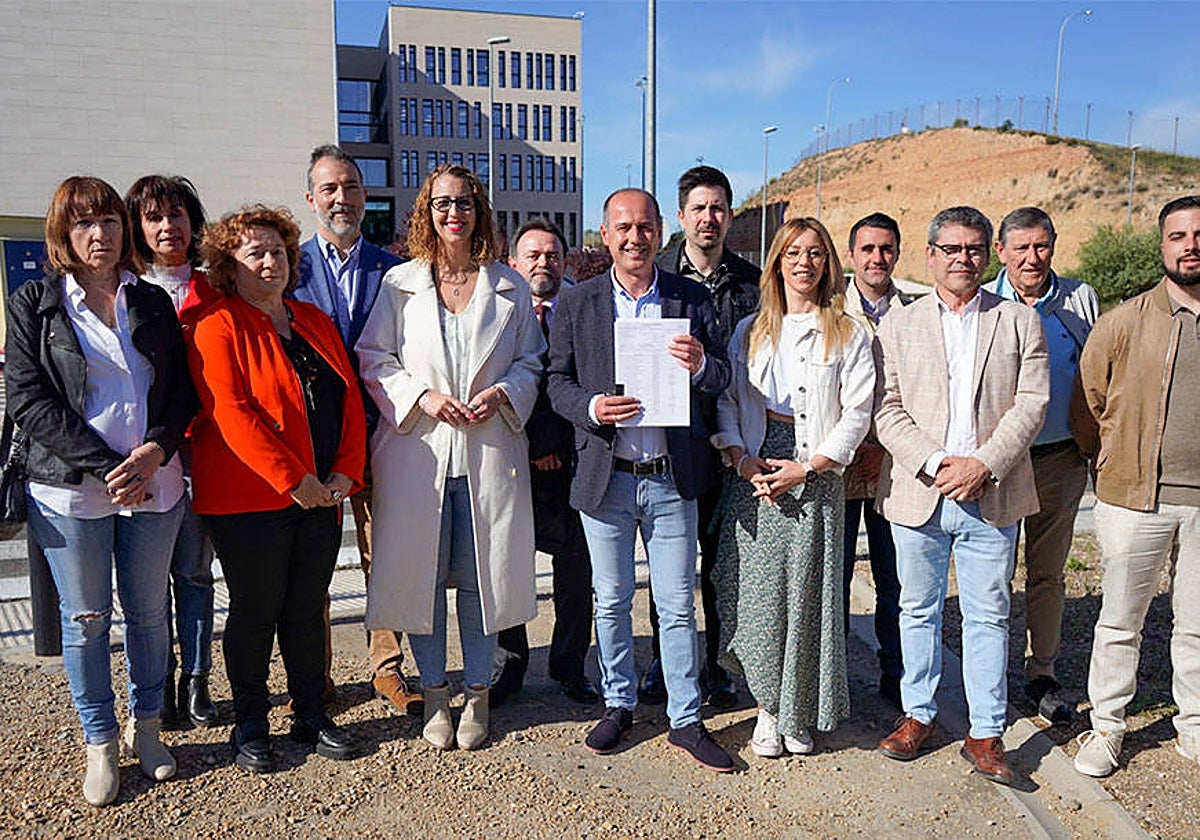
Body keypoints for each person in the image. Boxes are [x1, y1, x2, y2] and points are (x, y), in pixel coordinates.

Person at [6, 176, 197, 805]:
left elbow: (181, 392)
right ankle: (100, 741)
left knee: (148, 614)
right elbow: (28, 400)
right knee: (86, 620)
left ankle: (148, 728)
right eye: (84, 223)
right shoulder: (35, 303)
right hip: (71, 493)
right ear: (63, 232)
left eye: (110, 221)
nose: (100, 234)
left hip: (154, 484)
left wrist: (154, 452)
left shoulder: (151, 300)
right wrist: (109, 467)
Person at [547, 188, 735, 772]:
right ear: (604, 235)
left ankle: (686, 718)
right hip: (606, 479)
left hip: (671, 479)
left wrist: (700, 366)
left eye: (645, 227)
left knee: (676, 604)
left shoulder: (688, 298)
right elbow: (556, 382)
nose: (635, 238)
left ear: (660, 232)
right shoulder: (577, 302)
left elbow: (723, 375)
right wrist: (591, 408)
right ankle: (619, 704)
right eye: (623, 227)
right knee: (610, 600)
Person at [357, 164, 542, 751]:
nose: (453, 213)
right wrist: (423, 398)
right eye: (442, 203)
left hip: (488, 456)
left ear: (479, 210)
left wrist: (503, 393)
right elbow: (374, 358)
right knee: (423, 582)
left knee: (483, 582)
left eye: (464, 202)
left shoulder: (508, 286)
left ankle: (478, 693)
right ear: (426, 212)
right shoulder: (400, 284)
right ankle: (436, 693)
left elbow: (531, 361)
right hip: (419, 454)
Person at [188, 204, 366, 773]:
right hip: (249, 501)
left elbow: (350, 399)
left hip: (323, 495)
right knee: (256, 609)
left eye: (279, 251)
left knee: (307, 607)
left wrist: (346, 471)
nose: (271, 262)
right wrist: (294, 480)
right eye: (255, 254)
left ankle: (310, 711)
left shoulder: (314, 320)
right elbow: (231, 413)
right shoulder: (216, 326)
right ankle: (250, 720)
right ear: (228, 266)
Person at [874, 206, 1048, 787]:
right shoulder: (899, 324)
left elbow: (1032, 403)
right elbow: (885, 408)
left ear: (988, 254)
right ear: (930, 255)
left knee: (989, 616)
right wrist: (935, 462)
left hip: (991, 494)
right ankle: (918, 714)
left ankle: (986, 732)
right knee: (916, 610)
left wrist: (983, 465)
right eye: (951, 248)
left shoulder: (1019, 321)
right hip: (920, 493)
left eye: (973, 248)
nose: (962, 259)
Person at [712, 218, 874, 758]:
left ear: (828, 263)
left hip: (815, 476)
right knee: (758, 596)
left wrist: (809, 468)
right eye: (793, 253)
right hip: (756, 471)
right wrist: (740, 458)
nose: (804, 263)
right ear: (777, 263)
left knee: (807, 595)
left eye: (815, 253)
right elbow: (728, 401)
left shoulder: (849, 332)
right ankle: (767, 706)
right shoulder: (749, 331)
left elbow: (857, 412)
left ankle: (798, 709)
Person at [1071, 195, 1200, 778]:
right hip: (1133, 500)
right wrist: (1108, 463)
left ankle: (1192, 727)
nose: (1190, 246)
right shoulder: (1124, 321)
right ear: (1163, 244)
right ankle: (1107, 728)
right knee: (1120, 622)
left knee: (1195, 623)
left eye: (1199, 235)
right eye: (1178, 236)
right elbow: (1087, 403)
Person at [291, 145, 417, 714]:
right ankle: (313, 679)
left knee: (381, 556)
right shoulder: (287, 268)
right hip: (311, 439)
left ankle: (387, 667)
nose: (341, 198)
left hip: (379, 434)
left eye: (351, 187)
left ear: (365, 195)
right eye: (329, 188)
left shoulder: (395, 272)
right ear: (311, 198)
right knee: (310, 565)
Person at [643, 165, 760, 709]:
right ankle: (662, 665)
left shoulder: (754, 283)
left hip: (733, 444)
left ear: (729, 216)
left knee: (722, 565)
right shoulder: (658, 275)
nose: (708, 218)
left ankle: (719, 664)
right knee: (666, 569)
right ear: (681, 216)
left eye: (717, 208)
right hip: (673, 442)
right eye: (698, 208)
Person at [985, 206, 1099, 725]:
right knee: (994, 573)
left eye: (1042, 246)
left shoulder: (1080, 299)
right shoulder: (984, 302)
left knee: (1048, 574)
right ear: (1001, 252)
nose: (1032, 258)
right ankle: (989, 673)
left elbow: (1097, 374)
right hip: (1000, 464)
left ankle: (1041, 673)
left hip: (1059, 460)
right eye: (1021, 248)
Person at [124, 174, 222, 729]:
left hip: (204, 455)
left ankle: (197, 679)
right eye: (155, 217)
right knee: (146, 584)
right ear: (137, 228)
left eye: (177, 214)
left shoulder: (217, 290)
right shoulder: (125, 292)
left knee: (194, 572)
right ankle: (155, 682)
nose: (168, 227)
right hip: (146, 456)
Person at [490, 217, 599, 707]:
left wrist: (554, 445)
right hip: (512, 461)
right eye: (532, 255)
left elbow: (582, 381)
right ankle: (509, 666)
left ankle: (569, 666)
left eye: (552, 255)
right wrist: (535, 447)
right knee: (507, 570)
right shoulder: (495, 312)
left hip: (573, 464)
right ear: (513, 262)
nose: (543, 263)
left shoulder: (584, 310)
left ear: (565, 261)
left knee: (576, 574)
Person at [840, 212, 909, 707]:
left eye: (886, 249)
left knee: (895, 579)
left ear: (898, 254)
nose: (877, 258)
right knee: (833, 578)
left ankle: (897, 672)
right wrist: (852, 447)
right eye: (867, 249)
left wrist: (884, 447)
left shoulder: (917, 315)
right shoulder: (829, 312)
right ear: (852, 255)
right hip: (839, 468)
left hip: (895, 470)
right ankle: (833, 677)